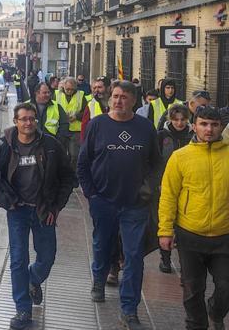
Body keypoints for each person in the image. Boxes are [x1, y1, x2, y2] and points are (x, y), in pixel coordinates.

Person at [78, 80, 161, 328]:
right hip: (103, 201)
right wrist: (91, 194)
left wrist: (148, 188)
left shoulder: (145, 128)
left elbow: (157, 164)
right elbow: (83, 164)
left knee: (134, 255)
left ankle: (129, 310)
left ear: (135, 100)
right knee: (102, 244)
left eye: (124, 97)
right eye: (115, 96)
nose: (118, 100)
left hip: (135, 204)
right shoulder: (98, 125)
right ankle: (98, 279)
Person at [0, 102, 74, 330]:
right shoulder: (5, 147)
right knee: (18, 259)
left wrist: (56, 207)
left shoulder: (50, 146)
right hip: (18, 210)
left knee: (47, 257)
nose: (28, 123)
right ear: (15, 122)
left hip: (44, 210)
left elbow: (67, 177)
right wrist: (6, 202)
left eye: (32, 119)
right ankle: (22, 309)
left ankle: (33, 279)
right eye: (23, 119)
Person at [159, 105, 229, 330]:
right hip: (190, 234)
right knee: (192, 289)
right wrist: (165, 231)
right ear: (195, 126)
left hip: (224, 235)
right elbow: (168, 196)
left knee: (225, 287)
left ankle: (216, 310)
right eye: (204, 124)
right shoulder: (180, 157)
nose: (209, 129)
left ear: (221, 127)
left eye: (214, 125)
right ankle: (196, 325)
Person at [155, 103, 194, 274]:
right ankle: (165, 258)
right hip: (165, 184)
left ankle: (185, 260)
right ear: (170, 119)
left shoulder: (192, 136)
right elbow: (155, 160)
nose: (179, 123)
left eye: (183, 119)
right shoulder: (162, 136)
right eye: (176, 119)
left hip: (187, 185)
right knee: (166, 221)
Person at [54, 77, 87, 174]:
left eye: (72, 89)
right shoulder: (56, 94)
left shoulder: (81, 95)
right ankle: (62, 173)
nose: (69, 91)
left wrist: (76, 116)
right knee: (61, 154)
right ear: (63, 87)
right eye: (67, 89)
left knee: (74, 155)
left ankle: (72, 174)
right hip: (61, 129)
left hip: (75, 130)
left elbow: (86, 112)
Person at [80, 76, 109, 141]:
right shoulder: (91, 104)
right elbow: (84, 126)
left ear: (108, 88)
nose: (96, 90)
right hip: (96, 141)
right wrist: (83, 144)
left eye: (100, 87)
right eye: (95, 88)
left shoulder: (116, 103)